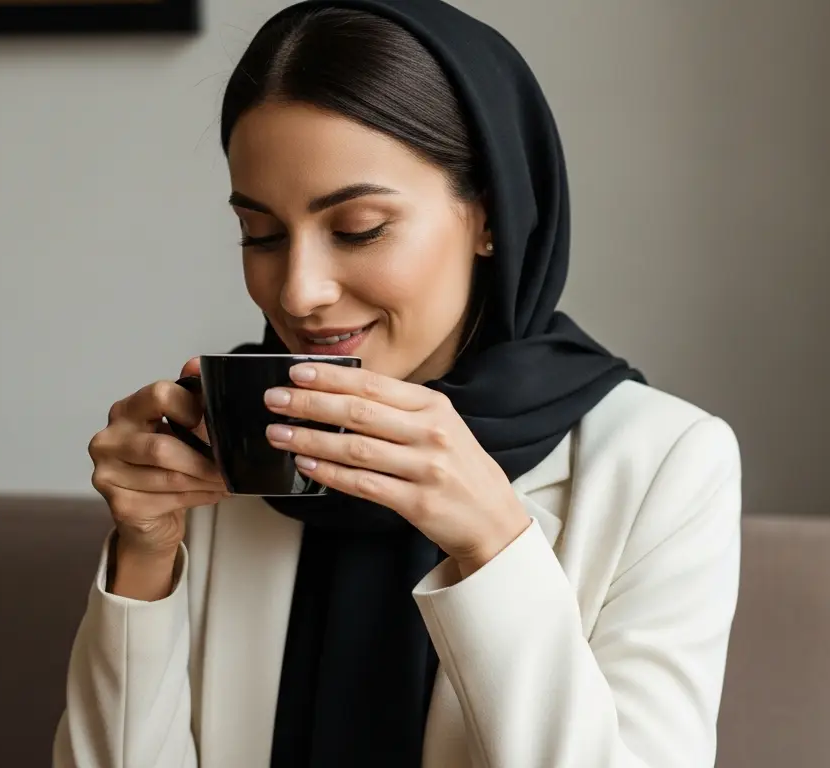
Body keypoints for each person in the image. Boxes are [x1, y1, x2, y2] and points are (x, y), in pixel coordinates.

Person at [54, 1, 742, 766]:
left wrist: (491, 539)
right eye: (262, 235)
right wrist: (143, 559)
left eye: (358, 229)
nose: (298, 292)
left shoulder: (663, 463)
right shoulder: (231, 440)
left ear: (491, 215)